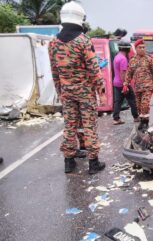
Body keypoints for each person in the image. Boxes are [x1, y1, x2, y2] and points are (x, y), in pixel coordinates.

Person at [48, 1, 105, 174]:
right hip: (85, 93)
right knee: (89, 126)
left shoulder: (53, 43)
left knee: (70, 125)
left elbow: (54, 71)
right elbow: (94, 69)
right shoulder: (83, 41)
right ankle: (93, 162)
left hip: (66, 92)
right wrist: (100, 92)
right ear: (80, 18)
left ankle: (69, 161)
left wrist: (60, 92)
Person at [125, 39, 153, 131]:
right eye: (140, 47)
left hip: (148, 86)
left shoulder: (150, 60)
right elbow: (129, 73)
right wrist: (125, 84)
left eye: (144, 47)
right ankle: (142, 121)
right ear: (136, 49)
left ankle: (145, 122)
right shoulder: (132, 60)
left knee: (145, 105)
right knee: (139, 106)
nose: (142, 49)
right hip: (137, 87)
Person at [112, 41, 139, 125]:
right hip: (123, 83)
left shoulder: (117, 57)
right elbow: (123, 73)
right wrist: (125, 84)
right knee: (132, 100)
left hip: (116, 83)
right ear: (126, 49)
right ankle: (136, 117)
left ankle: (116, 119)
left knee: (118, 101)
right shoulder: (123, 59)